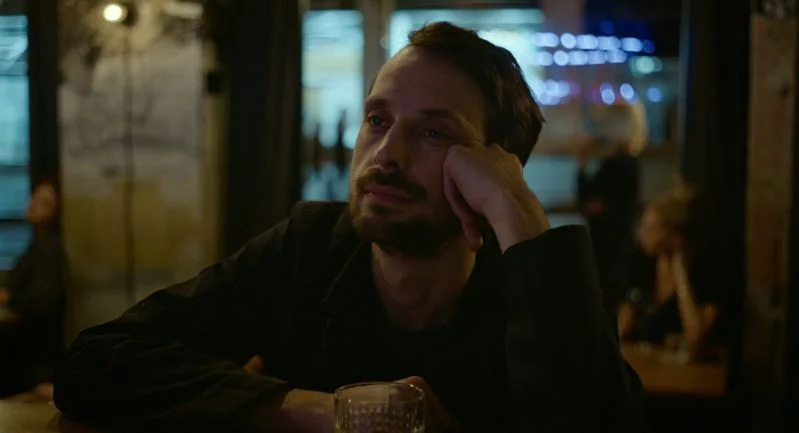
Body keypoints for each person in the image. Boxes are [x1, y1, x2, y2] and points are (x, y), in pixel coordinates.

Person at [54, 23, 642, 432]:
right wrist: (320, 412)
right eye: (377, 120)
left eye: (434, 132)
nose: (385, 156)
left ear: (494, 166)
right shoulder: (308, 247)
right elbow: (95, 362)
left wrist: (515, 206)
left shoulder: (533, 289)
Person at [618, 186, 723, 350]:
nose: (642, 234)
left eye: (652, 229)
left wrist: (681, 276)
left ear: (676, 236)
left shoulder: (705, 272)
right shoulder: (643, 263)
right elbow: (622, 328)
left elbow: (696, 336)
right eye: (642, 226)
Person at [0, 179, 66, 399]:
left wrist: (9, 298)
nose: (34, 205)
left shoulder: (49, 248)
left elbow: (42, 300)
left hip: (33, 352)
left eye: (44, 202)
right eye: (34, 198)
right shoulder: (36, 244)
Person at [577, 103, 644, 315]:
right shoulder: (630, 162)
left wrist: (582, 164)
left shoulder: (616, 165)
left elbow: (588, 202)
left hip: (607, 245)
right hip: (620, 242)